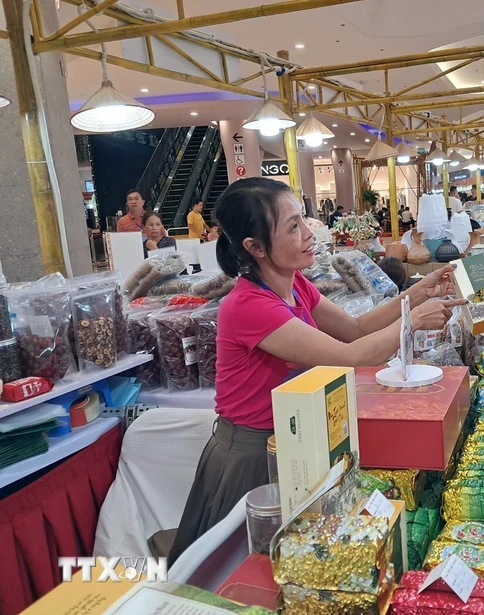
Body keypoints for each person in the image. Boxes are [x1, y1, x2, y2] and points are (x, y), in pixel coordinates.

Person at [169, 178, 463, 564]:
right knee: (243, 572)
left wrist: (418, 292)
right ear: (254, 248)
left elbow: (357, 328)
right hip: (252, 454)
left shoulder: (297, 286)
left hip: (295, 439)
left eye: (303, 219)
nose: (309, 234)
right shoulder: (249, 305)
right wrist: (414, 321)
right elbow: (352, 356)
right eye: (292, 226)